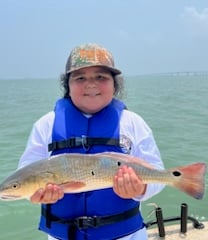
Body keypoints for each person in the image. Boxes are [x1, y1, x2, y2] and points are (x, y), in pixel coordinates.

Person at [18, 43, 165, 240]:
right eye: (80, 78)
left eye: (101, 77)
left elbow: (157, 173)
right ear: (67, 85)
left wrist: (142, 189)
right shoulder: (45, 125)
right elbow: (26, 173)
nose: (91, 84)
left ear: (115, 84)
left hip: (126, 236)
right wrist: (36, 194)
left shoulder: (133, 123)